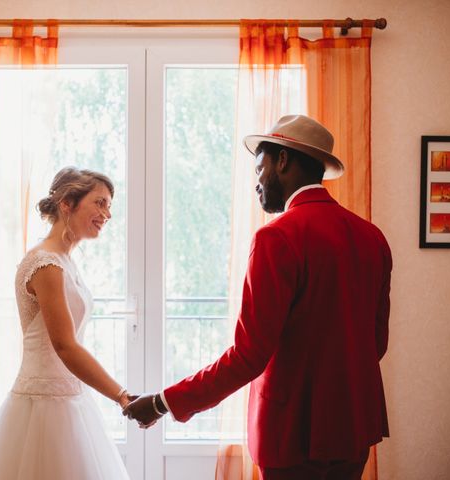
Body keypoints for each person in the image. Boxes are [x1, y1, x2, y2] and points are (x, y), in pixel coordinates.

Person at [124, 115, 392, 480]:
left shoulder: (277, 238)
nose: (256, 183)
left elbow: (248, 356)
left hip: (291, 433)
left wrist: (162, 402)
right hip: (353, 426)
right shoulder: (372, 237)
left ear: (283, 161)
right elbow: (376, 343)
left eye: (258, 169)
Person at [0, 167, 132, 479]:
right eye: (100, 203)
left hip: (71, 399)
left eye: (109, 205)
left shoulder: (66, 261)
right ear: (68, 202)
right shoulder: (46, 264)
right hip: (41, 407)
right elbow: (65, 346)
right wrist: (120, 395)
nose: (107, 213)